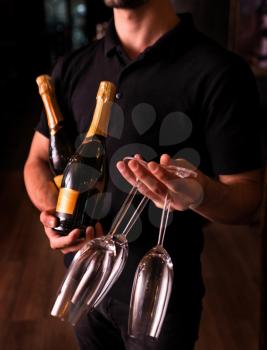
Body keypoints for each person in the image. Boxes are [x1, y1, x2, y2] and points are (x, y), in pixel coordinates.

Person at [24, 0, 264, 349]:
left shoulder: (221, 72)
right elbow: (36, 160)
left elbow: (248, 199)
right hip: (85, 279)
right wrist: (55, 214)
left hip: (159, 296)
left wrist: (200, 194)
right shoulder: (73, 66)